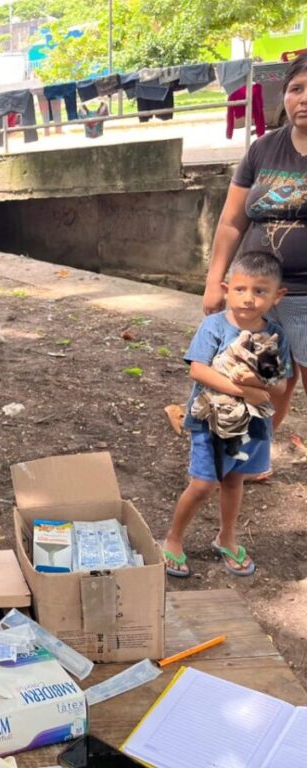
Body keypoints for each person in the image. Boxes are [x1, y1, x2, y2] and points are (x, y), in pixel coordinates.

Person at [162, 252, 292, 579]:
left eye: (260, 291)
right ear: (226, 289)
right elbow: (199, 370)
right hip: (212, 423)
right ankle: (173, 538)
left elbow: (278, 386)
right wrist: (245, 389)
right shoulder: (215, 326)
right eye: (240, 289)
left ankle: (226, 538)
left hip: (253, 425)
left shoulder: (274, 336)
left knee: (234, 481)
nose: (248, 298)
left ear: (277, 296)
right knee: (203, 484)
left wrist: (258, 383)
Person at [203, 53, 307, 445]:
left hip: (304, 296)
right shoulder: (263, 149)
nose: (303, 99)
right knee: (263, 378)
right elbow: (231, 222)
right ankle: (255, 454)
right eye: (296, 89)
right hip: (254, 294)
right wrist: (215, 282)